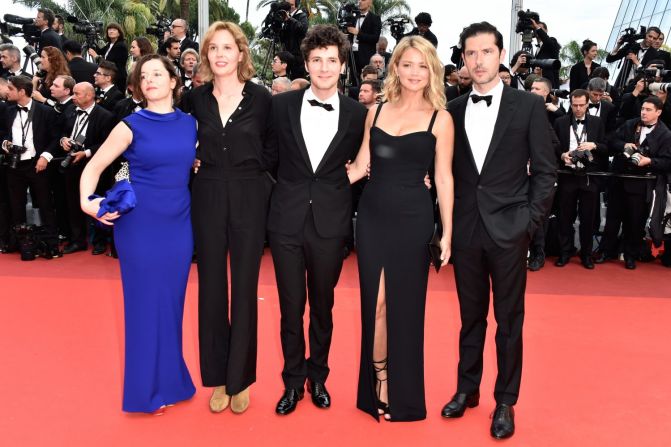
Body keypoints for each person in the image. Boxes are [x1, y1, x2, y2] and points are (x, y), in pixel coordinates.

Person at [440, 22, 556, 439]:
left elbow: (545, 171)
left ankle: (505, 400)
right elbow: (443, 171)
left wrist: (529, 222)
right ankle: (467, 389)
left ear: (500, 53)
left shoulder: (526, 106)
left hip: (510, 231)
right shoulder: (451, 109)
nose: (478, 60)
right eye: (470, 54)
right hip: (467, 231)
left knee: (509, 321)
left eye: (486, 52)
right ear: (464, 59)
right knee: (470, 318)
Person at [79, 54, 197, 414]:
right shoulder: (130, 125)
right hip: (140, 227)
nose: (150, 80)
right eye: (144, 76)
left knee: (171, 307)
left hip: (179, 226)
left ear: (174, 81)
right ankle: (144, 392)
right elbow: (95, 167)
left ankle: (172, 381)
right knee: (145, 307)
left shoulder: (191, 124)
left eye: (157, 74)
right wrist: (88, 201)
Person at [347, 35, 453, 422]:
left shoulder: (440, 119)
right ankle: (379, 379)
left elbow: (443, 179)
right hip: (373, 215)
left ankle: (402, 392)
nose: (414, 72)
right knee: (374, 305)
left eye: (422, 65)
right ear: (396, 67)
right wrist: (310, 183)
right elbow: (359, 167)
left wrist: (448, 233)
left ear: (431, 71)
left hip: (414, 219)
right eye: (407, 64)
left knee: (405, 308)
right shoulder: (375, 111)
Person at [267, 24, 368, 416]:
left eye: (331, 60)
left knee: (322, 307)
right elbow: (265, 158)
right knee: (291, 307)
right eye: (316, 60)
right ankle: (293, 382)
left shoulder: (360, 114)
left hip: (331, 221)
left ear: (342, 66)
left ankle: (318, 377)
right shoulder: (280, 106)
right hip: (286, 221)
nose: (324, 67)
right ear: (306, 63)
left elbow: (369, 160)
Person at [184, 21, 273, 415]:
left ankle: (241, 379)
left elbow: (275, 150)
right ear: (207, 55)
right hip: (207, 194)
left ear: (241, 53)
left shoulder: (262, 99)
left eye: (227, 47)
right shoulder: (195, 99)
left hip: (250, 195)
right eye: (213, 48)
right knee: (211, 289)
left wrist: (260, 184)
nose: (220, 54)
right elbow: (182, 143)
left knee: (244, 287)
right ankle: (218, 377)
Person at [603, 96, 671, 269]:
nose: (644, 112)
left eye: (648, 110)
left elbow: (667, 161)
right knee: (612, 218)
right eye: (643, 109)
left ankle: (630, 255)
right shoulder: (630, 124)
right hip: (619, 179)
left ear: (659, 112)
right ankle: (606, 251)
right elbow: (611, 141)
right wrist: (624, 145)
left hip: (641, 184)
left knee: (635, 221)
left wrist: (648, 161)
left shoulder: (665, 134)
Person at [2, 76, 61, 258]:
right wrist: (5, 143)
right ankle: (18, 243)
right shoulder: (6, 110)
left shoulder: (45, 112)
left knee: (45, 204)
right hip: (14, 165)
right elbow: (1, 133)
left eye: (11, 89)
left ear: (21, 91)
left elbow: (55, 138)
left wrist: (45, 157)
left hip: (38, 164)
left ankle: (52, 244)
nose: (7, 91)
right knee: (16, 205)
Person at [553, 89, 607, 269]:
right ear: (570, 103)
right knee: (564, 217)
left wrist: (594, 145)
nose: (577, 109)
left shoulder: (597, 122)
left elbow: (607, 147)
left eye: (581, 105)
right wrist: (562, 156)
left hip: (589, 177)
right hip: (567, 176)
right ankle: (565, 252)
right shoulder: (560, 122)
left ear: (587, 104)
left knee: (588, 218)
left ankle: (586, 254)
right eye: (574, 105)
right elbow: (552, 145)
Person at [59, 82, 114, 255]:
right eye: (73, 94)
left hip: (95, 167)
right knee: (73, 203)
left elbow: (108, 144)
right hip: (71, 165)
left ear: (90, 96)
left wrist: (87, 153)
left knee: (96, 202)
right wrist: (63, 141)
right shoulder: (69, 112)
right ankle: (78, 240)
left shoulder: (105, 116)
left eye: (77, 94)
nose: (73, 97)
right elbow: (61, 133)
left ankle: (99, 241)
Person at [88, 23, 129, 91]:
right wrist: (92, 40)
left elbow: (111, 64)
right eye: (109, 29)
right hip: (110, 78)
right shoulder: (110, 44)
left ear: (119, 33)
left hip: (118, 78)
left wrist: (96, 57)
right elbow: (99, 51)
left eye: (114, 29)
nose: (111, 31)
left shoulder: (121, 46)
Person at [348, 0, 381, 80]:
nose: (359, 2)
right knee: (353, 80)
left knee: (366, 80)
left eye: (363, 0)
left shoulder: (375, 18)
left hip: (366, 57)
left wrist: (358, 34)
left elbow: (375, 38)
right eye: (358, 0)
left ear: (370, 3)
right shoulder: (353, 18)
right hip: (352, 55)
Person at [279, 0, 308, 79]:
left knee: (297, 82)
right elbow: (281, 38)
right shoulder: (282, 17)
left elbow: (303, 30)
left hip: (298, 57)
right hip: (285, 55)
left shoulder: (301, 15)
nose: (289, 8)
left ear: (296, 5)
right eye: (287, 5)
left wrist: (290, 19)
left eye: (291, 5)